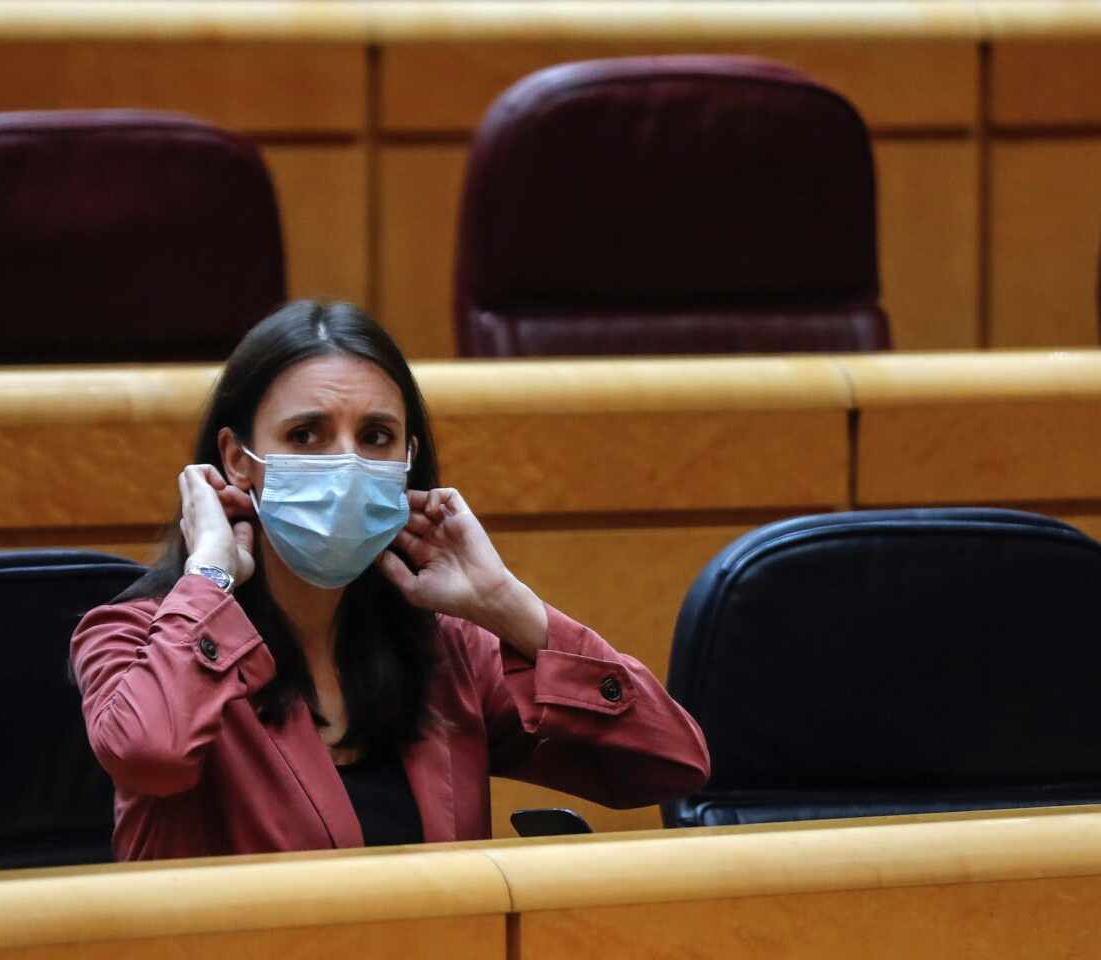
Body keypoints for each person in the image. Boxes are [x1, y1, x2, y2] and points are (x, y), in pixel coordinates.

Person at [71, 300, 710, 860]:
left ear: (407, 460)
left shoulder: (447, 652)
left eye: (376, 436)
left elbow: (667, 764)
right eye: (306, 434)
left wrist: (508, 607)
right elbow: (150, 753)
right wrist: (209, 572)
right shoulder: (136, 637)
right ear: (239, 460)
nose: (346, 462)